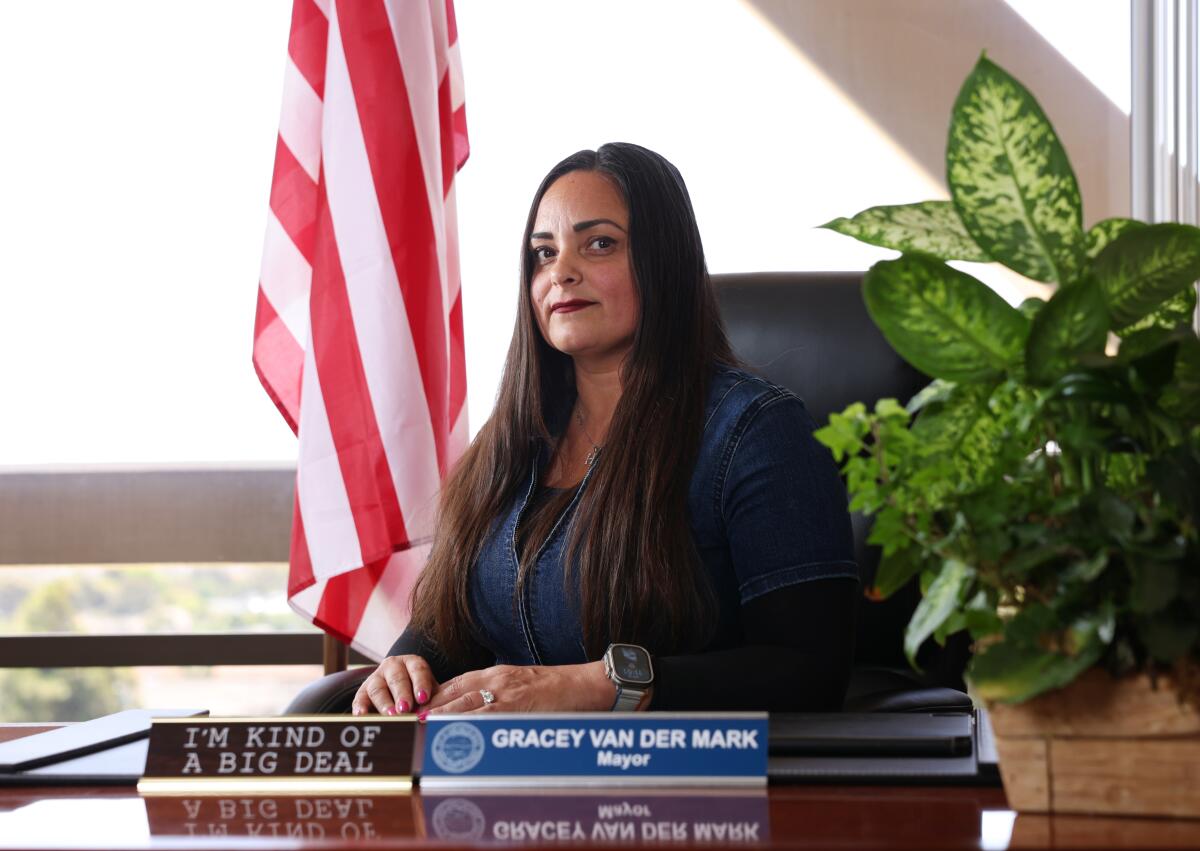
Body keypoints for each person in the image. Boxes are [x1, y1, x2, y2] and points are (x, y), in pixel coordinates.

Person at [352, 143, 857, 717]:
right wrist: (404, 667)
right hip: (509, 779)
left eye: (599, 244)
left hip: (679, 784)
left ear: (661, 260)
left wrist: (597, 685)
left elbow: (809, 670)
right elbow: (453, 624)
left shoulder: (755, 431)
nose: (561, 271)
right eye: (543, 254)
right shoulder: (512, 437)